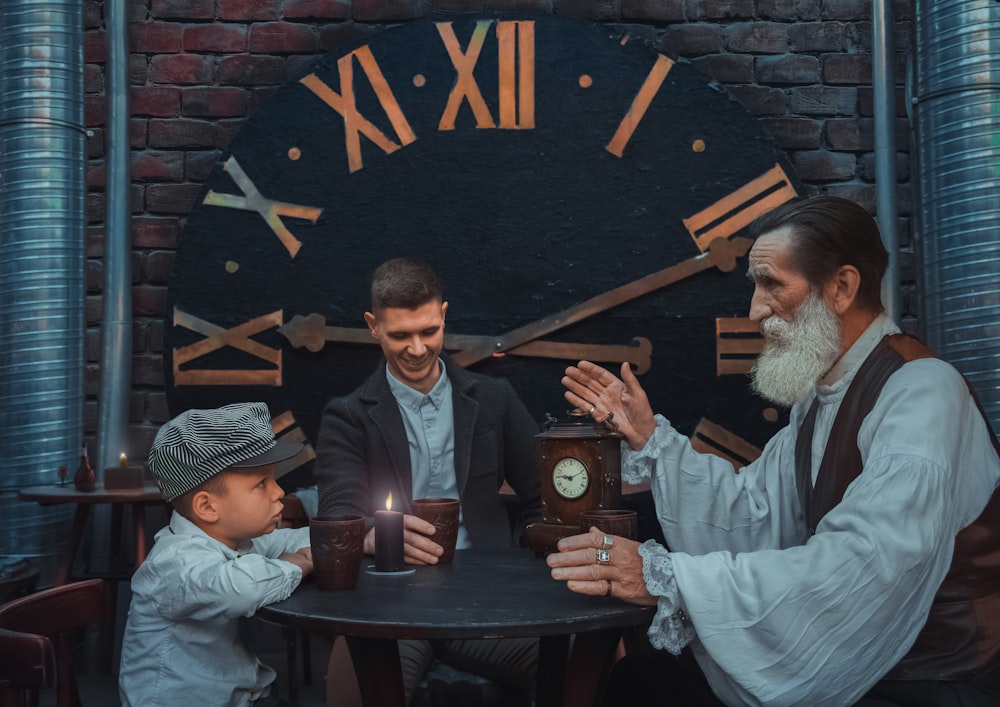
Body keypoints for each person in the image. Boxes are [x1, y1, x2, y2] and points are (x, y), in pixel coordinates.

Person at [547, 196, 1000, 706]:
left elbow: (866, 562)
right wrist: (653, 442)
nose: (755, 310)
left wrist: (666, 579)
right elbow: (755, 515)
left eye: (772, 284)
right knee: (641, 682)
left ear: (842, 287)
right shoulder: (822, 398)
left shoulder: (922, 392)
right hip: (868, 666)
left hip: (926, 681)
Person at [314, 256, 542, 704]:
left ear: (443, 315)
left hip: (490, 599)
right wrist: (368, 533)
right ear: (372, 326)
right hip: (388, 602)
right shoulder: (347, 416)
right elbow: (339, 514)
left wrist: (528, 572)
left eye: (428, 331)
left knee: (585, 664)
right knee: (351, 691)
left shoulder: (496, 399)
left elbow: (542, 497)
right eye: (400, 335)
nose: (417, 348)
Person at [119, 402, 314, 707]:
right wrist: (299, 563)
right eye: (261, 483)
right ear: (208, 507)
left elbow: (293, 540)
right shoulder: (174, 562)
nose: (278, 492)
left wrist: (357, 539)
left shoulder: (233, 540)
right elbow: (243, 588)